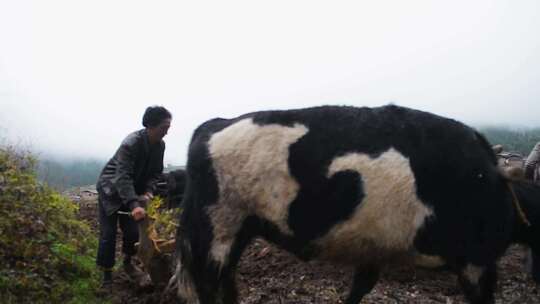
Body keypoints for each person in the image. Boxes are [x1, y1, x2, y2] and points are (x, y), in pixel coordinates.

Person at [96, 106, 172, 288]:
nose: (167, 131)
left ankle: (128, 264)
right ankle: (106, 274)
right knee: (109, 233)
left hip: (133, 191)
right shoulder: (130, 144)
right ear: (150, 126)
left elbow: (155, 173)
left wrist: (148, 191)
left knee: (131, 233)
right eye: (164, 127)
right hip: (111, 191)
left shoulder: (160, 145)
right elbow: (122, 177)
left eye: (169, 127)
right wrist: (133, 204)